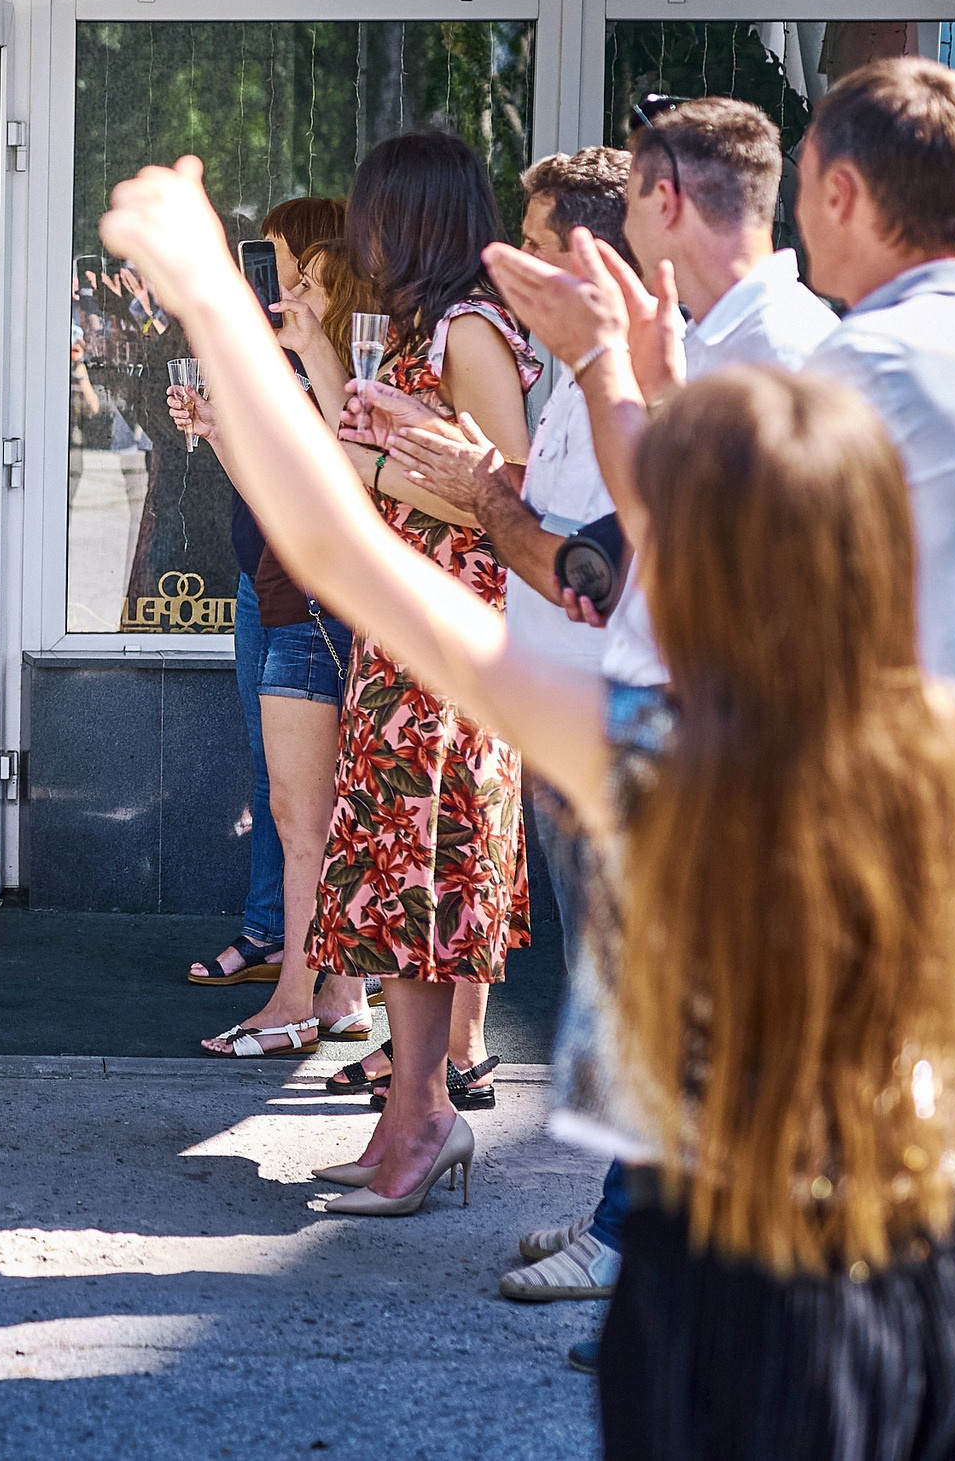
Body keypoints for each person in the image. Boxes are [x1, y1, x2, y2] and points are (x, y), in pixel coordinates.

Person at [102, 151, 955, 1456]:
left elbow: (335, 549)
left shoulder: (654, 757)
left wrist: (209, 297)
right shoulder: (935, 749)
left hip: (718, 1289)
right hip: (910, 1280)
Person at [359, 149, 636, 1300]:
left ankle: (632, 1236)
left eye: (526, 236)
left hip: (594, 688)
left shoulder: (543, 356)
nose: (505, 260)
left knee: (628, 981)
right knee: (602, 977)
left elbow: (559, 536)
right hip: (559, 684)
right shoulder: (573, 375)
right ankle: (617, 1218)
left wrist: (399, 467)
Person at [302, 132, 539, 1204]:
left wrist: (381, 461)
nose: (366, 236)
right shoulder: (417, 328)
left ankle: (424, 1120)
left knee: (427, 884)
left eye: (378, 215)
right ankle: (412, 1117)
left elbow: (515, 511)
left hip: (449, 645)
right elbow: (368, 473)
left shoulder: (471, 330)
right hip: (402, 640)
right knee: (401, 888)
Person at [175, 231, 374, 1053]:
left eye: (319, 287)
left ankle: (300, 998)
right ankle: (334, 991)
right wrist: (221, 436)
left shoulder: (352, 384)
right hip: (294, 596)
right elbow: (280, 496)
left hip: (324, 608)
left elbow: (345, 483)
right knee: (305, 810)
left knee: (306, 816)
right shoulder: (318, 378)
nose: (299, 297)